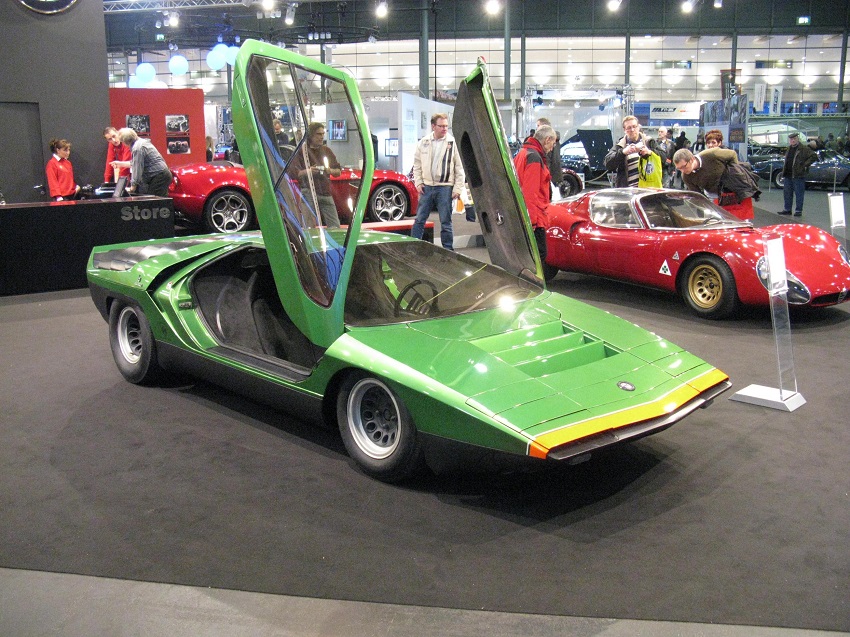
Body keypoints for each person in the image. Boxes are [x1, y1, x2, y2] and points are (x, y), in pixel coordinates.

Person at [411, 113, 465, 250]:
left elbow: (459, 167)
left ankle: (448, 250)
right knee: (419, 220)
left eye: (446, 126)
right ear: (433, 126)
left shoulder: (452, 143)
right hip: (427, 187)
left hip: (445, 188)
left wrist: (457, 189)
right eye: (441, 126)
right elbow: (416, 165)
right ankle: (413, 248)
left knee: (446, 222)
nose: (444, 129)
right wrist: (418, 182)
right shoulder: (423, 142)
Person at [673, 147, 758, 220]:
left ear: (691, 159)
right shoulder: (686, 176)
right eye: (679, 168)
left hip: (733, 188)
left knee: (742, 219)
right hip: (714, 195)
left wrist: (735, 172)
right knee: (722, 221)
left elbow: (732, 154)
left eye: (684, 166)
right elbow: (698, 196)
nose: (682, 170)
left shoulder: (712, 154)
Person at [288, 122, 342, 228]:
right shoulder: (301, 152)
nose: (322, 137)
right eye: (318, 134)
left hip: (325, 192)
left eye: (323, 134)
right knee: (309, 227)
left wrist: (329, 170)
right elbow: (294, 173)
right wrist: (309, 171)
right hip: (308, 192)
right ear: (311, 135)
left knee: (335, 226)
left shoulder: (327, 151)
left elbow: (338, 172)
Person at [513, 125, 555, 262]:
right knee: (539, 256)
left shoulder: (523, 153)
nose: (552, 148)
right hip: (535, 218)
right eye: (552, 143)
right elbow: (530, 193)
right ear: (547, 139)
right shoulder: (534, 157)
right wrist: (531, 223)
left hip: (524, 215)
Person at [603, 115, 658, 188]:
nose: (632, 130)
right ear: (624, 130)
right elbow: (607, 163)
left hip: (648, 189)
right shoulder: (620, 144)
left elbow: (664, 158)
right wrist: (623, 152)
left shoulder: (649, 141)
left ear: (638, 127)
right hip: (627, 190)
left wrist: (649, 152)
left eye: (634, 126)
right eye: (629, 128)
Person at [117, 128, 173, 197]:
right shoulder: (142, 142)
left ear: (126, 142)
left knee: (154, 203)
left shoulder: (137, 148)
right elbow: (135, 163)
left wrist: (133, 186)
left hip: (159, 176)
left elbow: (137, 168)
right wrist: (120, 164)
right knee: (158, 201)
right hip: (163, 174)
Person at [777, 131, 816, 217]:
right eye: (791, 139)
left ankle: (798, 211)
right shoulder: (789, 148)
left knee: (799, 194)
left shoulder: (804, 149)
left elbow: (814, 156)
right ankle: (787, 209)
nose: (793, 141)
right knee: (787, 193)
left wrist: (805, 165)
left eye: (794, 139)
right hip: (788, 175)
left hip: (798, 175)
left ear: (798, 139)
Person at [536, 117, 562, 187]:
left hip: (550, 177)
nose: (537, 129)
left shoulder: (551, 141)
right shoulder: (554, 140)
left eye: (538, 126)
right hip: (552, 175)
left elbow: (551, 160)